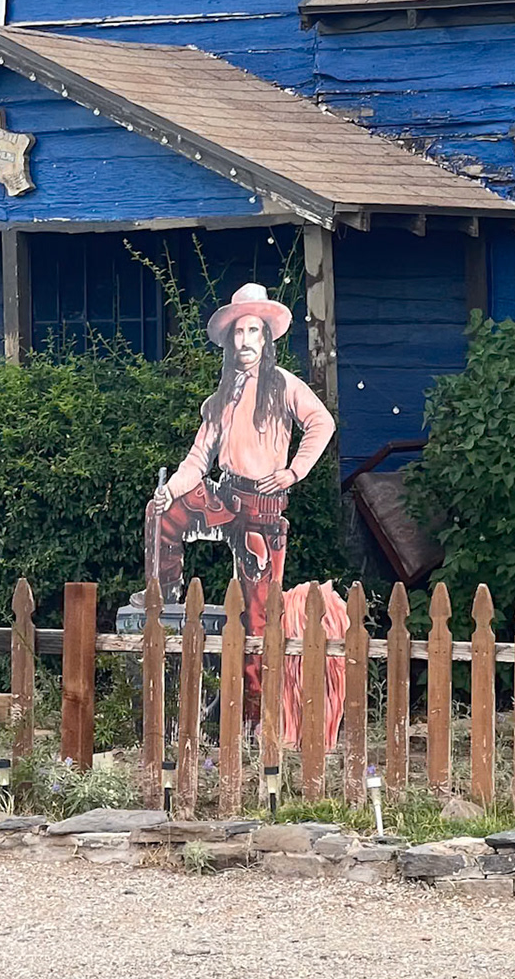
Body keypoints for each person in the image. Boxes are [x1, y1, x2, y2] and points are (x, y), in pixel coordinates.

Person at [143, 282, 335, 715]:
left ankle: (250, 711)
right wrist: (169, 489)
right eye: (239, 332)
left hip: (262, 510)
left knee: (257, 617)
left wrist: (291, 473)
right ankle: (166, 595)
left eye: (254, 331)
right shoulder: (221, 397)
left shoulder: (284, 385)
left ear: (266, 338)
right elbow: (198, 458)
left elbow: (321, 423)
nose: (246, 340)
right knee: (163, 515)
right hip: (224, 497)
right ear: (230, 340)